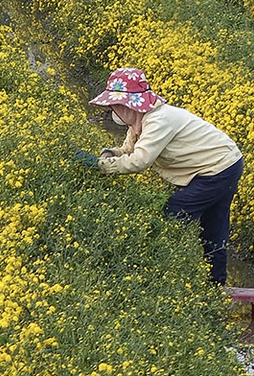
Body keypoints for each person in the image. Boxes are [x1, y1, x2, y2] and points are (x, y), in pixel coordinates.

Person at [73, 67, 244, 285]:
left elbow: (141, 160)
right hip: (222, 164)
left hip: (218, 168)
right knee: (213, 228)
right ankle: (214, 284)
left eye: (115, 105)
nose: (112, 110)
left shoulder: (158, 120)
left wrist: (103, 167)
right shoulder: (139, 122)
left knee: (174, 213)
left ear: (129, 104)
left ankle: (163, 273)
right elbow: (129, 150)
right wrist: (110, 154)